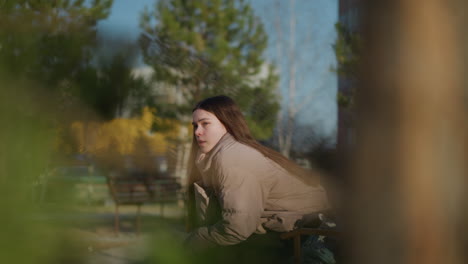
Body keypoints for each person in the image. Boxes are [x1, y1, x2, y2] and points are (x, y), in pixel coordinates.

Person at [185, 95, 330, 249]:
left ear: (226, 124)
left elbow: (237, 228)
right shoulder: (223, 154)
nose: (197, 132)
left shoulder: (233, 157)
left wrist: (197, 239)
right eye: (195, 125)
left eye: (205, 124)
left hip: (307, 235)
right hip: (293, 231)